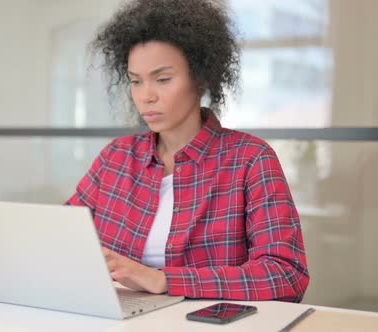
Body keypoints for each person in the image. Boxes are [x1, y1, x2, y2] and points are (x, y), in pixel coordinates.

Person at [66, 0, 309, 302]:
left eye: (163, 79)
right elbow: (62, 235)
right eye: (135, 81)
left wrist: (163, 280)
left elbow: (286, 274)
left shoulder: (250, 159)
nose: (146, 96)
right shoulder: (116, 158)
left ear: (201, 76)